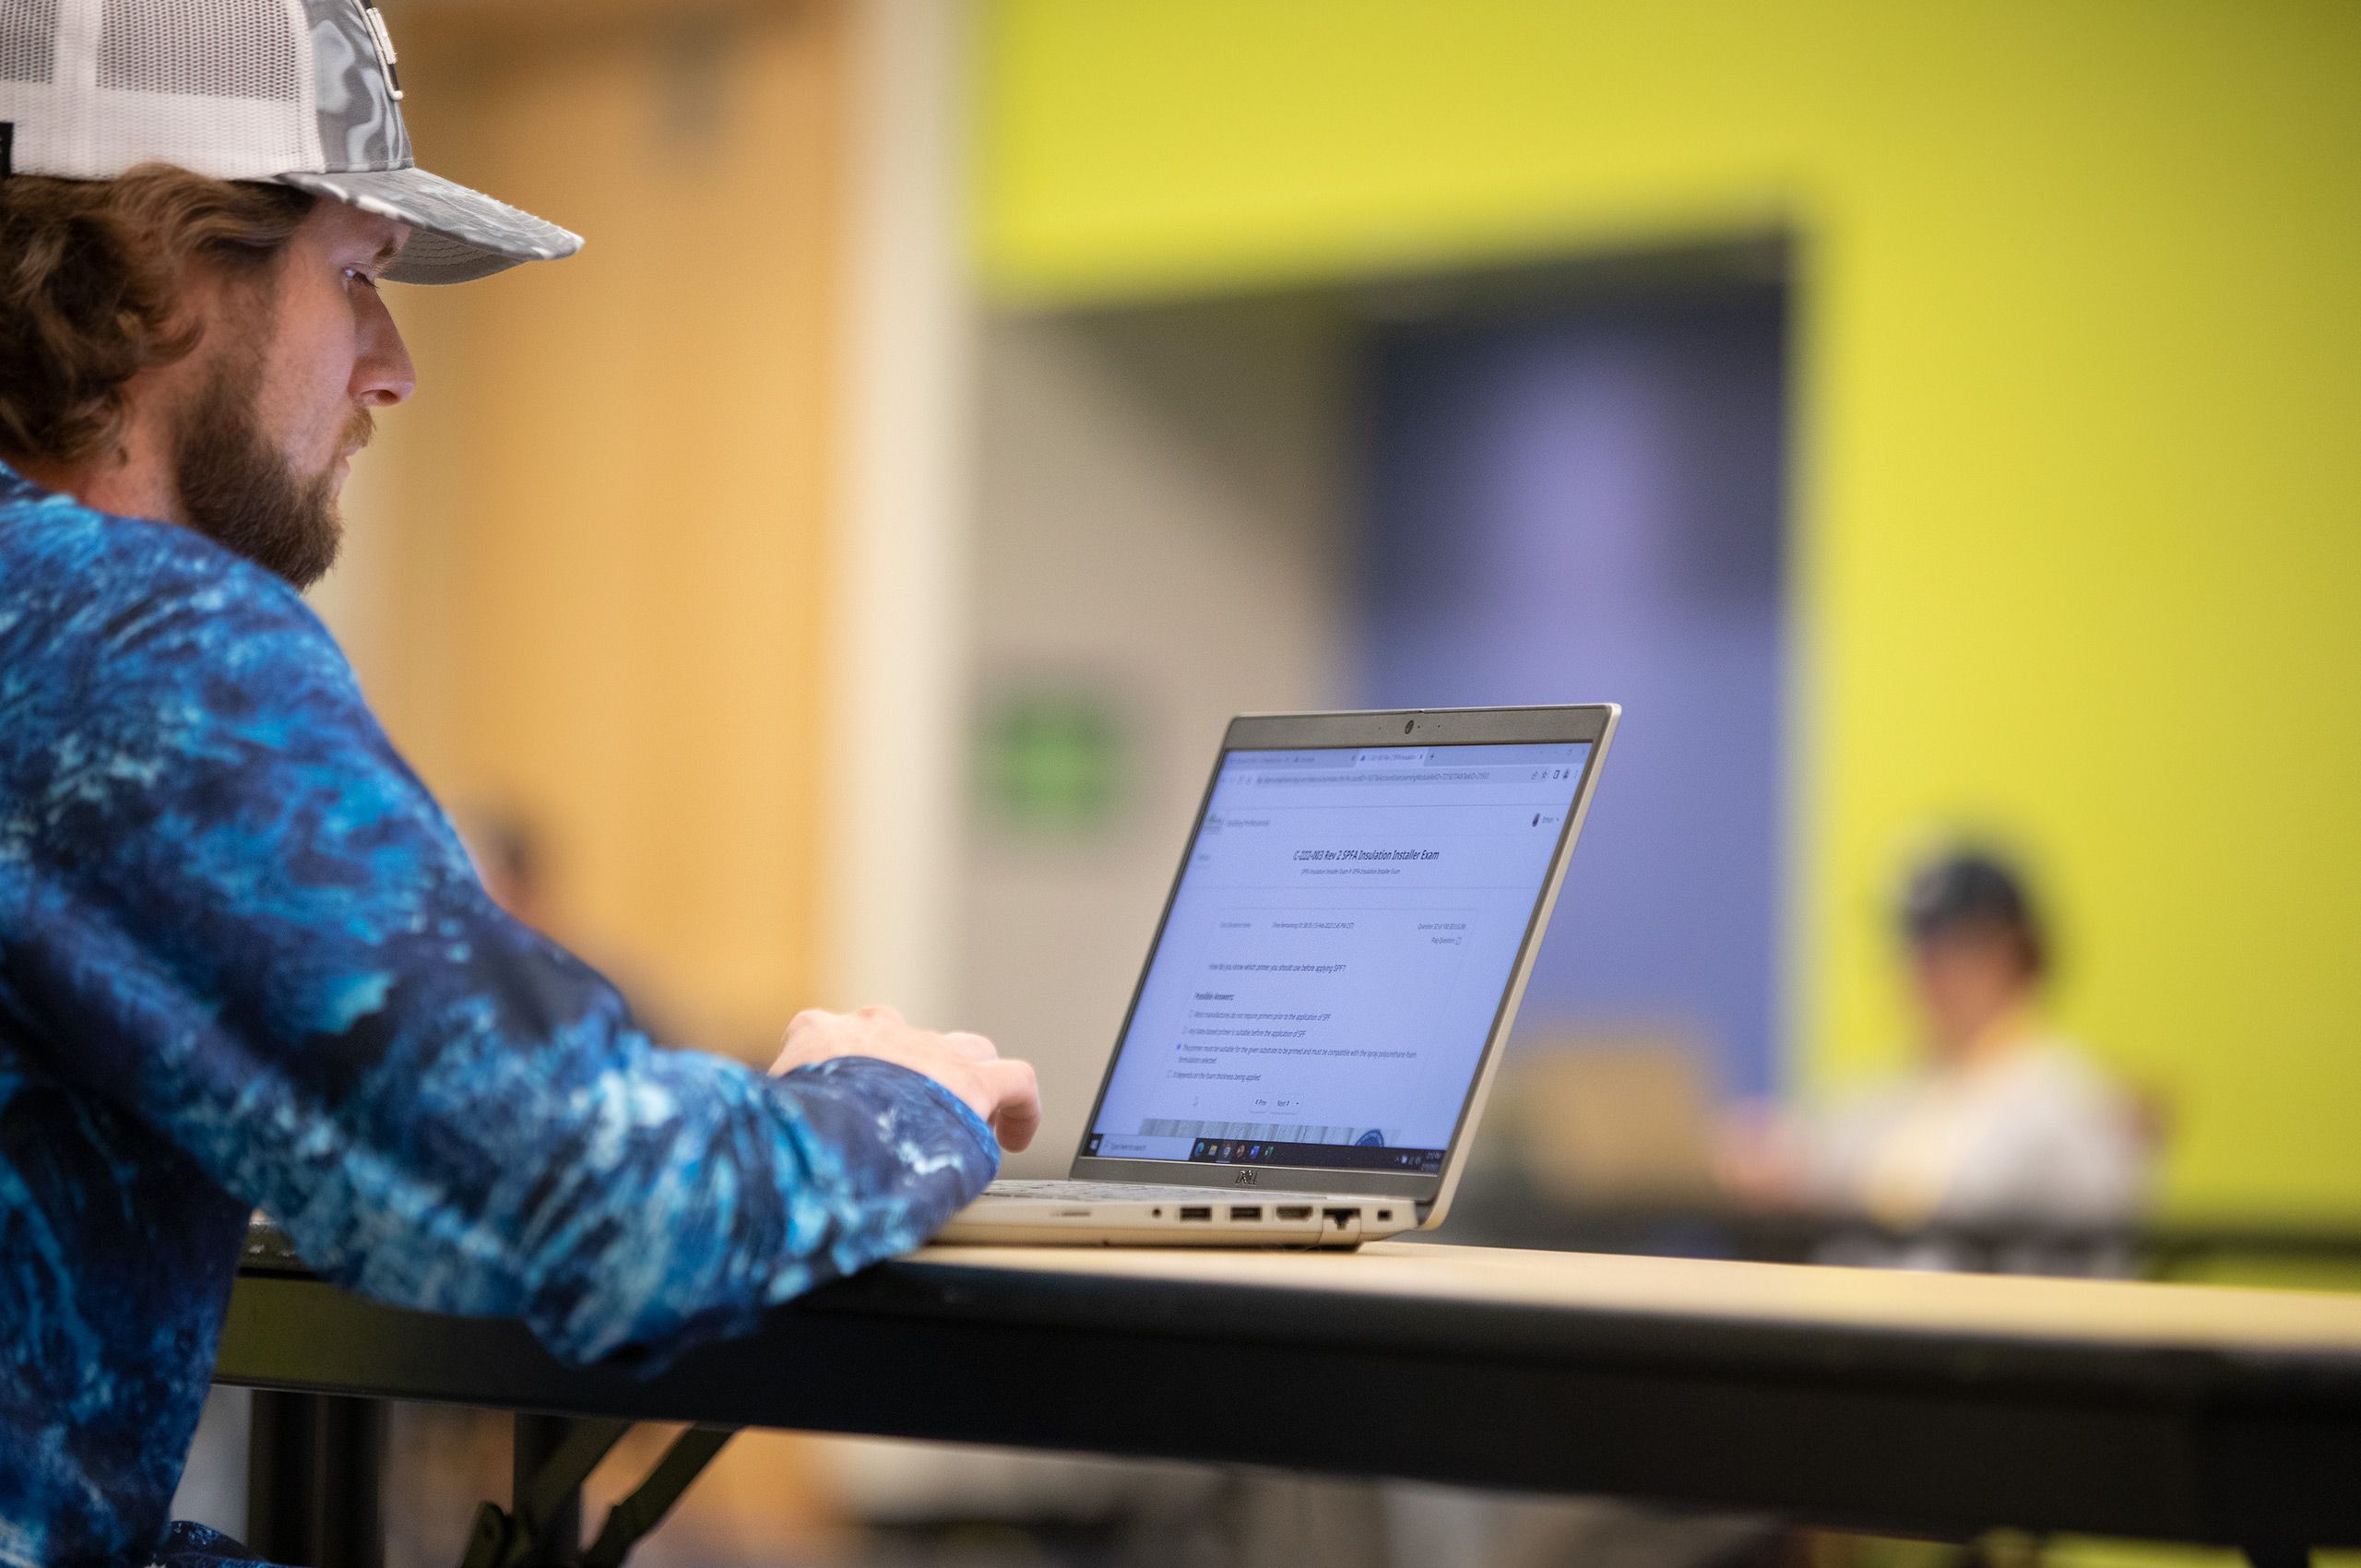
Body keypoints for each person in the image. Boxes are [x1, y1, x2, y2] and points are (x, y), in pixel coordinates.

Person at [0, 5, 1038, 1566]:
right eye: (354, 276)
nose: (392, 367)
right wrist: (901, 1098)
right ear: (158, 274)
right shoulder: (122, 638)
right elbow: (602, 1213)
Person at [1732, 846, 2151, 1271]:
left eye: (1956, 946)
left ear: (2013, 952)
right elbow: (1805, 1159)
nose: (1928, 969)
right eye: (1917, 945)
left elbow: (2094, 1275)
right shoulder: (1886, 1097)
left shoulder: (2072, 1105)